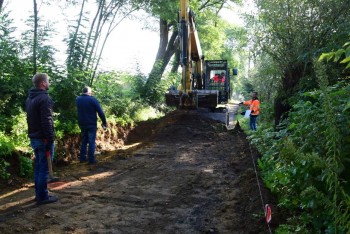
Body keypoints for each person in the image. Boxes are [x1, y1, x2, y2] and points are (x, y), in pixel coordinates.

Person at [26, 73, 58, 205]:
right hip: (42, 138)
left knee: (39, 167)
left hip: (35, 137)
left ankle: (39, 194)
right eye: (48, 81)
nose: (49, 83)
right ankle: (43, 196)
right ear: (43, 83)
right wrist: (49, 138)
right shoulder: (44, 99)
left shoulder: (30, 98)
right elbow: (47, 120)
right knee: (43, 168)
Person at [76, 86, 107, 164]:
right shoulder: (93, 99)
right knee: (91, 142)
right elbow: (100, 112)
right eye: (91, 92)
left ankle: (82, 158)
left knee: (84, 141)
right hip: (91, 124)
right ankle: (91, 160)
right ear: (89, 92)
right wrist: (104, 122)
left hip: (82, 124)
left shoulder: (77, 99)